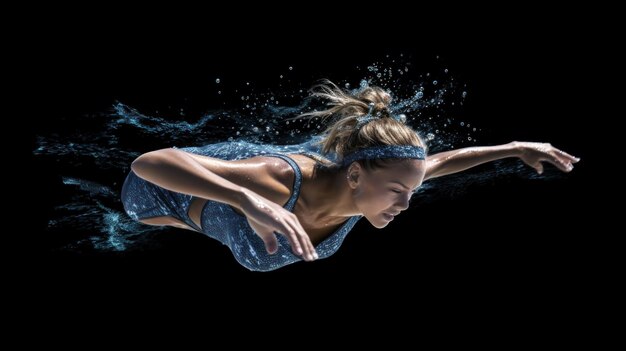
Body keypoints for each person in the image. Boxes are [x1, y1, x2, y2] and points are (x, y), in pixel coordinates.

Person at [121, 80, 580, 271]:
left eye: (411, 191)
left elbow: (446, 161)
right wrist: (246, 201)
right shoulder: (274, 181)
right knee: (150, 213)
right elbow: (149, 163)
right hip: (155, 199)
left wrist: (516, 147)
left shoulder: (375, 189)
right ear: (356, 175)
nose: (405, 205)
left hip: (308, 179)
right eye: (399, 191)